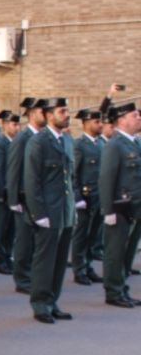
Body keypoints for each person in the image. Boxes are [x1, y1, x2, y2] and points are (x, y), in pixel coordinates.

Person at [24, 98, 77, 324]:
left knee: (59, 261)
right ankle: (40, 304)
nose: (66, 114)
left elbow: (69, 178)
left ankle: (52, 301)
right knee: (44, 261)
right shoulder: (38, 142)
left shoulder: (66, 140)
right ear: (48, 115)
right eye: (61, 111)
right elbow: (32, 181)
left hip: (64, 211)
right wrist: (39, 214)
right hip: (48, 212)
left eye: (66, 110)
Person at [99, 102, 141, 309]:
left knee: (127, 252)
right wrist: (108, 210)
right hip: (120, 208)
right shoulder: (114, 145)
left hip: (135, 208)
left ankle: (122, 288)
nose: (139, 118)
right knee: (115, 252)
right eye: (135, 115)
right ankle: (113, 291)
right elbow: (106, 178)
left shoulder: (135, 143)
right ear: (122, 120)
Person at [7, 97, 47, 294]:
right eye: (42, 112)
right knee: (24, 240)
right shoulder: (22, 139)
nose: (45, 115)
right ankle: (22, 279)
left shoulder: (43, 137)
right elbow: (13, 169)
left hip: (39, 197)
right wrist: (13, 199)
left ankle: (32, 275)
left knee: (36, 242)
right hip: (24, 197)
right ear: (31, 115)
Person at [71, 108, 105, 286]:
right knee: (81, 235)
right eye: (96, 122)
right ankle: (79, 269)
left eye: (100, 121)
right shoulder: (79, 145)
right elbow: (73, 173)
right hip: (85, 197)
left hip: (99, 197)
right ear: (85, 123)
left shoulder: (101, 144)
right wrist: (77, 197)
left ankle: (88, 265)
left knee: (93, 235)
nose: (100, 125)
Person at [0, 111, 21, 275]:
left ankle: (8, 257)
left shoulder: (16, 143)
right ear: (4, 125)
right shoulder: (0, 144)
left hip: (13, 193)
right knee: (1, 229)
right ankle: (0, 260)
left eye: (18, 124)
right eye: (13, 124)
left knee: (11, 228)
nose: (16, 128)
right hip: (2, 194)